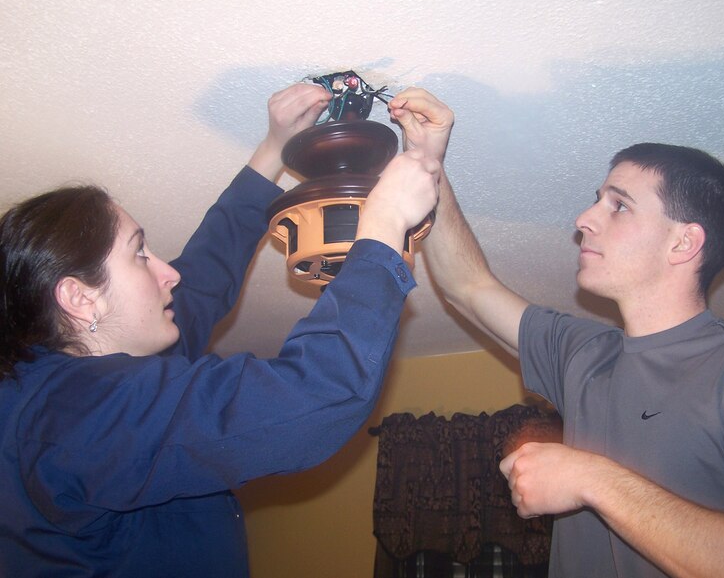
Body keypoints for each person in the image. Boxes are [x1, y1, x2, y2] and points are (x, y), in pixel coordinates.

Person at [0, 83, 441, 577]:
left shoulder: (62, 393)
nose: (166, 271)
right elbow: (314, 397)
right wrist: (382, 229)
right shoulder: (76, 416)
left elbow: (202, 282)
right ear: (80, 298)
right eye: (139, 255)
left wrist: (273, 149)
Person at [387, 88, 724, 578]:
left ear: (684, 241)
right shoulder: (583, 353)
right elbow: (468, 286)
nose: (584, 219)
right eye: (597, 200)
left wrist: (592, 478)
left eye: (619, 206)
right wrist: (427, 160)